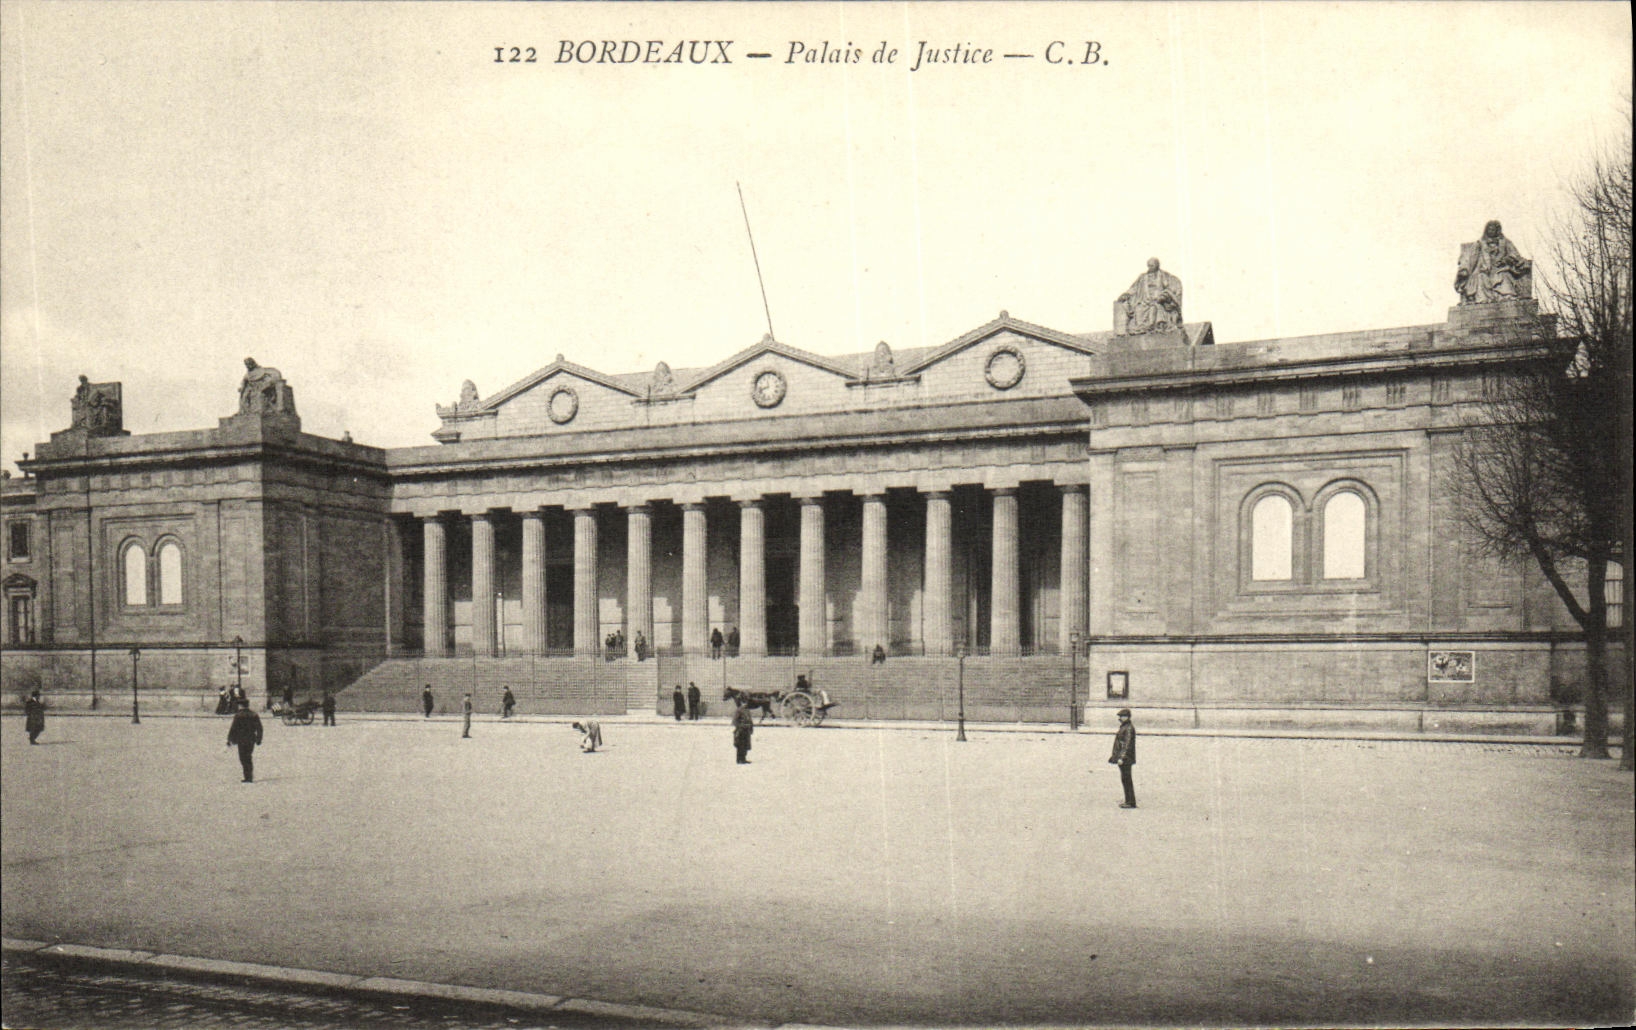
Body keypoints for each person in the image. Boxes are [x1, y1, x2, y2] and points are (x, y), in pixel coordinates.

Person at [1456, 219, 1533, 305]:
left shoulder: (1505, 242)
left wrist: (1507, 259)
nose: (1491, 231)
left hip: (1500, 269)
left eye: (1493, 230)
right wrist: (1465, 269)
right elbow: (1470, 257)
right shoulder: (1480, 243)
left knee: (1504, 275)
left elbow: (1514, 254)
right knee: (1481, 277)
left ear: (1497, 231)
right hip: (1485, 270)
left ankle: (1506, 296)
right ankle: (1484, 300)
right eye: (1489, 229)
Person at [1114, 258, 1184, 335]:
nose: (1150, 268)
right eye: (1149, 266)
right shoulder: (1142, 277)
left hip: (1158, 301)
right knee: (1139, 309)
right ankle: (1140, 329)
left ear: (1157, 265)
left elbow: (1171, 288)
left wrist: (1164, 296)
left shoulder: (1164, 276)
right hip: (1144, 301)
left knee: (1154, 308)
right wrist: (1126, 294)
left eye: (1152, 266)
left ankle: (1153, 328)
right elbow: (1134, 288)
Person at [226, 701, 264, 783]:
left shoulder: (238, 715)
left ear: (240, 705)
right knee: (248, 757)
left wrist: (230, 739)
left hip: (241, 739)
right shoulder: (254, 714)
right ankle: (249, 776)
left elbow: (234, 728)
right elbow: (259, 728)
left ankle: (247, 776)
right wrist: (259, 738)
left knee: (243, 758)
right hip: (251, 739)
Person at [1108, 708, 1137, 809]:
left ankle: (1130, 801)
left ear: (1127, 717)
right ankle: (1128, 800)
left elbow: (1127, 744)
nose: (1120, 718)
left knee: (1126, 779)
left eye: (1122, 716)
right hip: (1125, 757)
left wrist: (1122, 757)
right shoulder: (1125, 726)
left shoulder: (1128, 728)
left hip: (1126, 758)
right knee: (1125, 779)